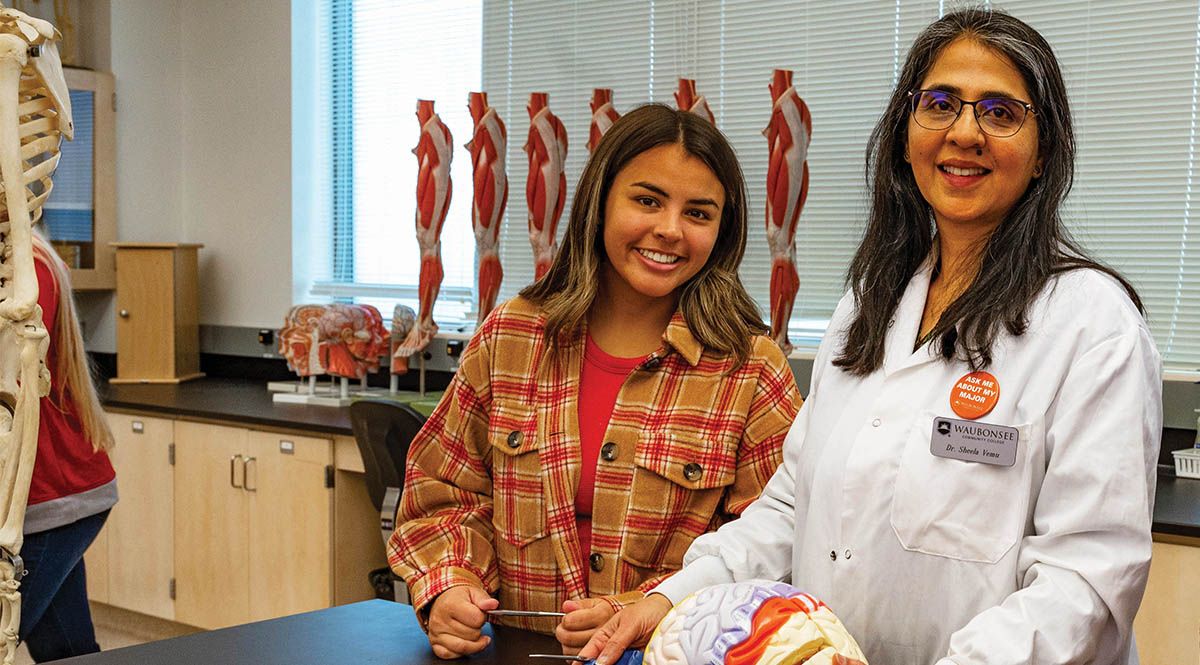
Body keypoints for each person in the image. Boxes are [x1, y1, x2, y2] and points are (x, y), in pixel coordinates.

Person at [582, 9, 1161, 665]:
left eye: (1001, 113)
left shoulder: (1092, 323)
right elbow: (791, 508)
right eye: (940, 104)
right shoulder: (869, 306)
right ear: (906, 133)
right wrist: (675, 595)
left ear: (1043, 154)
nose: (965, 131)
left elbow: (1085, 581)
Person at [387, 104, 802, 659]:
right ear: (600, 201)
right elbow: (443, 494)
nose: (670, 230)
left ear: (722, 231)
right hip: (513, 652)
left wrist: (652, 605)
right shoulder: (513, 337)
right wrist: (449, 584)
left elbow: (775, 548)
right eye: (647, 200)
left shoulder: (750, 368)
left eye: (698, 213)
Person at [19, 232, 117, 661]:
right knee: (68, 652)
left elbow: (12, 381)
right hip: (41, 499)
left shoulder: (29, 270)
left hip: (54, 500)